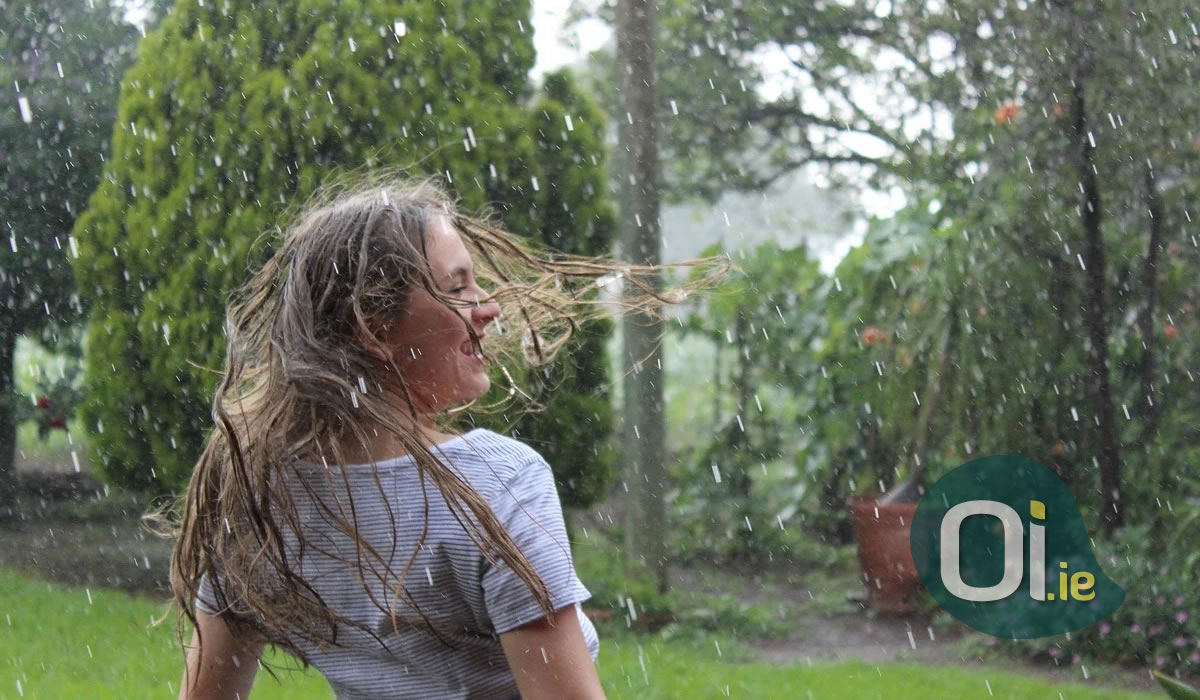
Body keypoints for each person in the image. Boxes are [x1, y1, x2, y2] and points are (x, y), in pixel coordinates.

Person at [160, 173, 726, 699]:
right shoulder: (498, 484)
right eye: (458, 288)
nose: (491, 307)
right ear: (376, 328)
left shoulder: (261, 493)